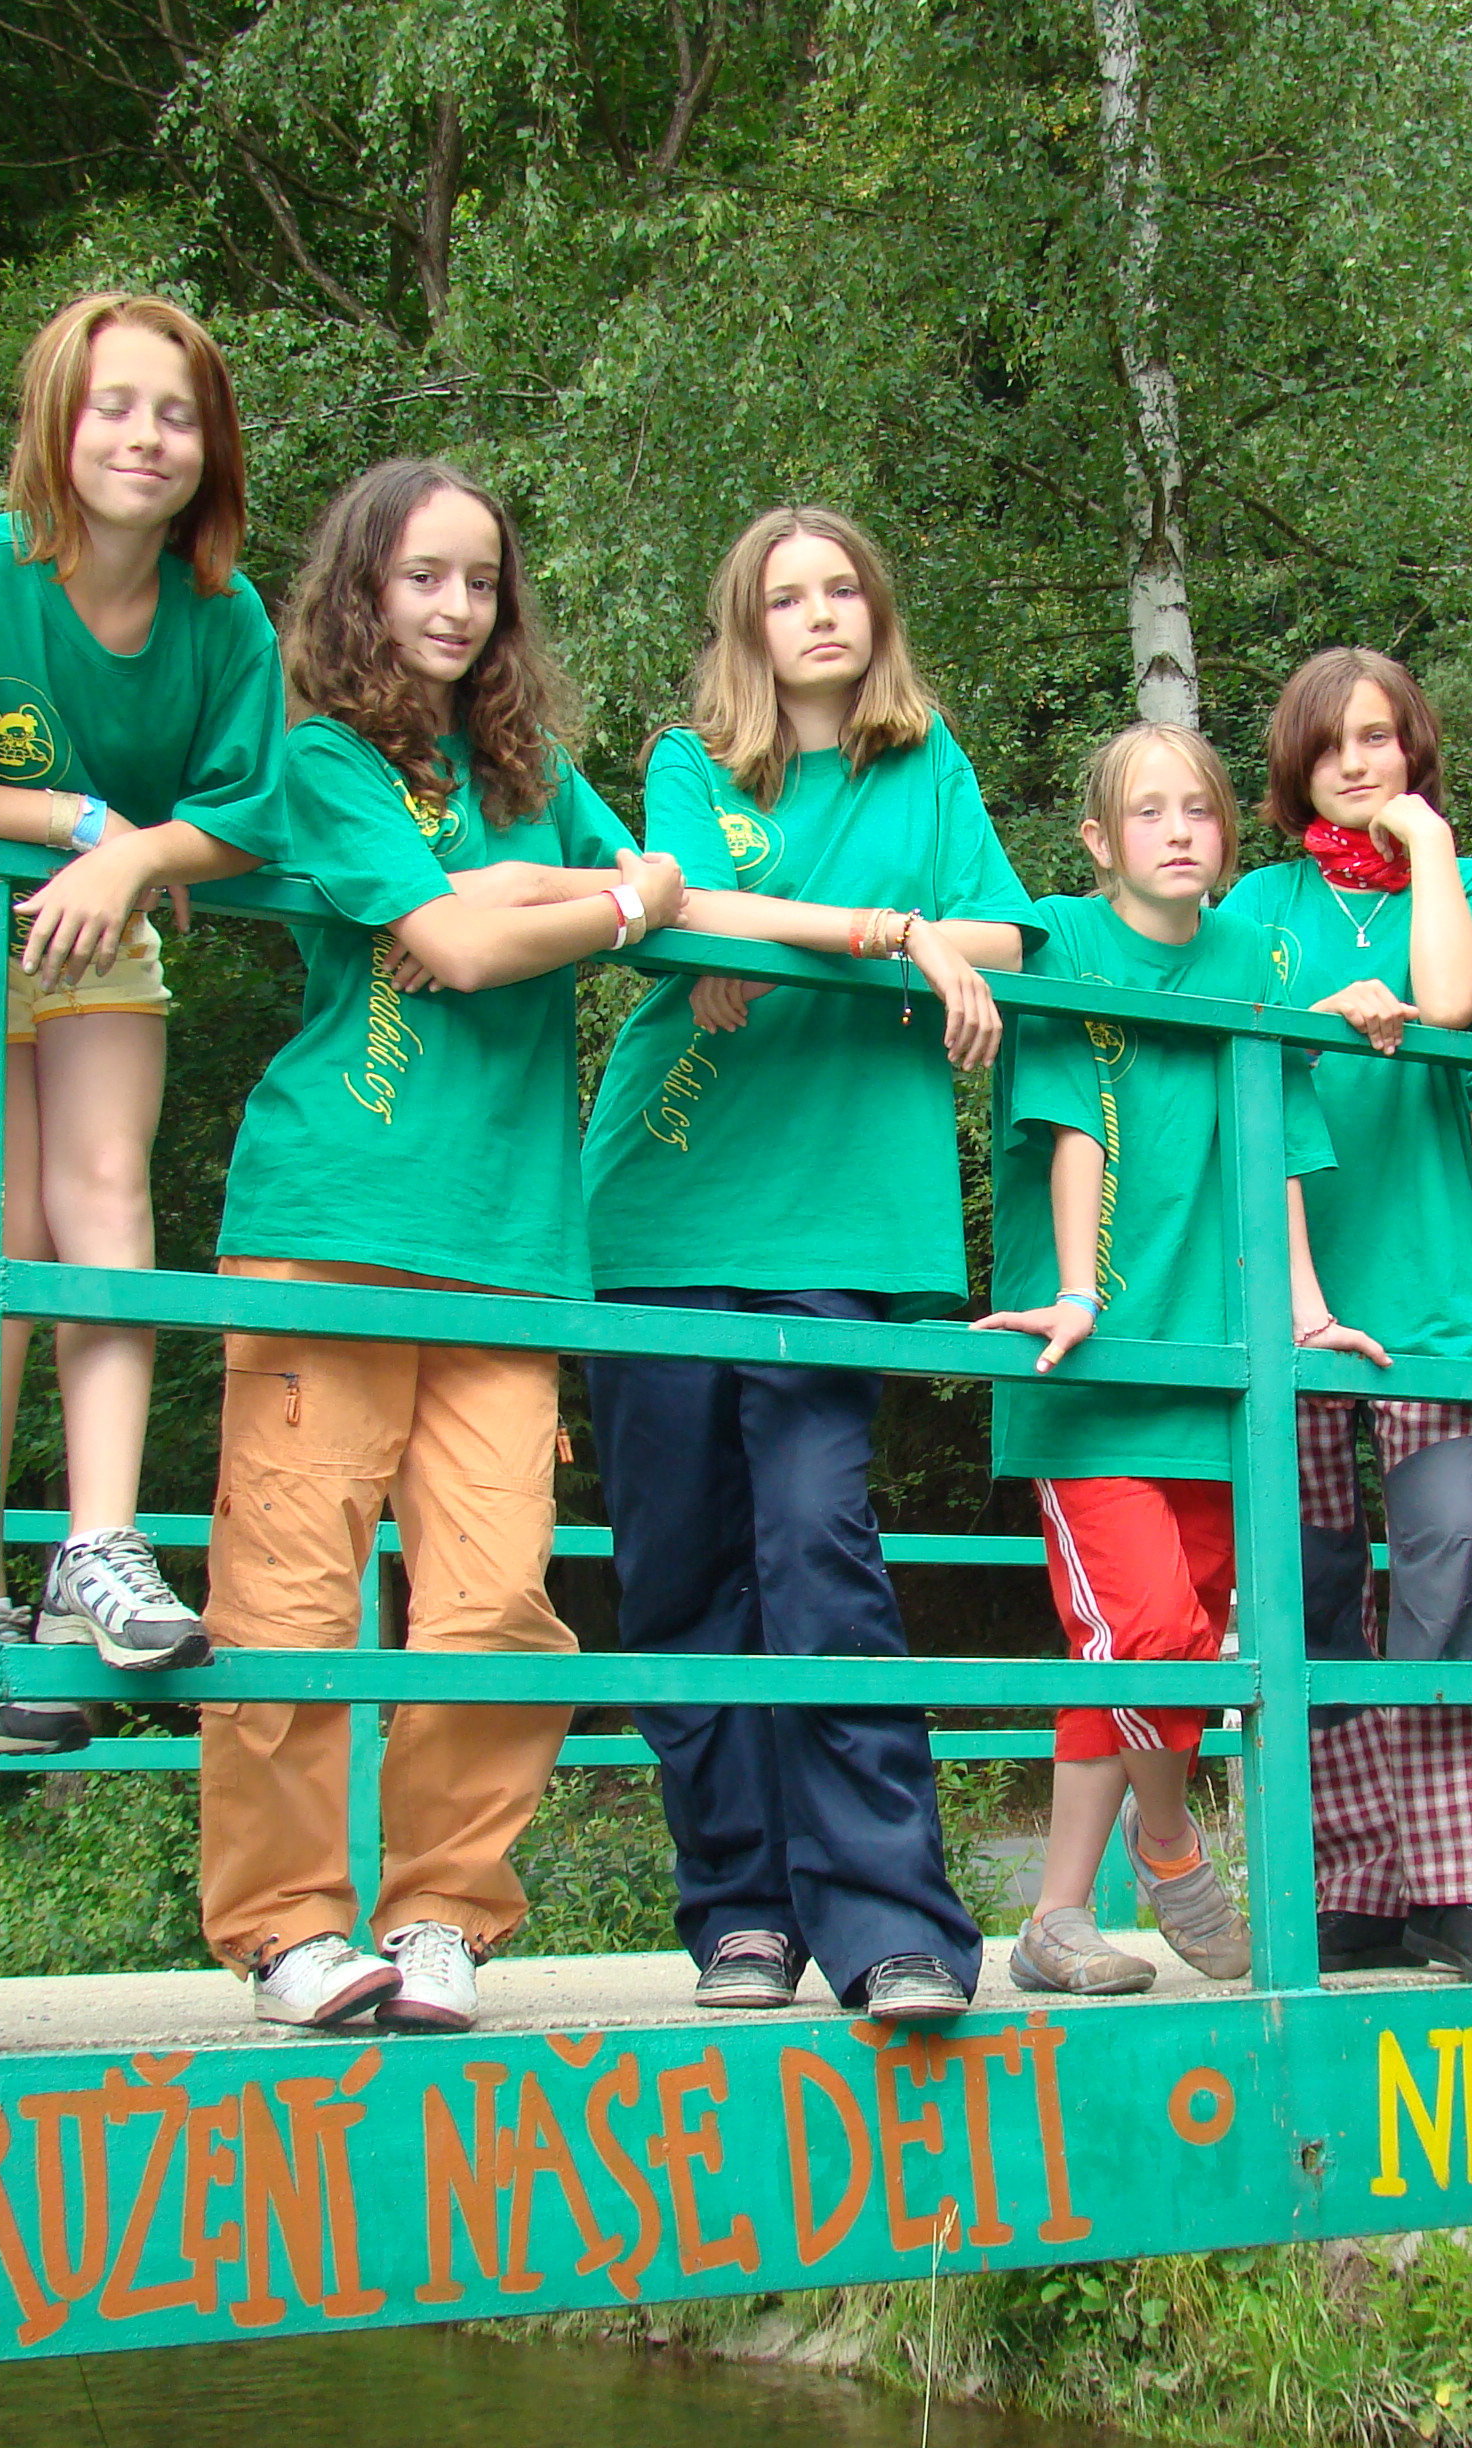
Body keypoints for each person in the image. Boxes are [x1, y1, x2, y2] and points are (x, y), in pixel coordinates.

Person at [196, 460, 682, 2032]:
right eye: (424, 577)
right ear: (361, 587)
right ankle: (285, 1930)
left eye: (482, 580)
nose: (458, 608)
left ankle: (439, 1916)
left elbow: (662, 881)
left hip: (508, 1245)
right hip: (330, 1221)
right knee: (291, 1591)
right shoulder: (324, 753)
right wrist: (597, 906)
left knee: (495, 1598)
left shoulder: (532, 768)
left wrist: (582, 887)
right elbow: (460, 948)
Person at [578, 506, 1037, 2025]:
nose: (822, 613)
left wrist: (813, 943)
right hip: (667, 1198)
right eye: (787, 596)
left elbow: (1008, 939)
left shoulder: (928, 762)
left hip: (840, 1218)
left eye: (844, 588)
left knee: (817, 1547)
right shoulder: (692, 761)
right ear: (747, 626)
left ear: (877, 612)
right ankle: (740, 1916)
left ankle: (894, 1927)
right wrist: (891, 934)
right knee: (680, 1572)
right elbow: (681, 902)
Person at [0, 293, 286, 1746]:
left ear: (210, 446)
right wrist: (82, 820)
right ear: (58, 419)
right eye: (114, 405)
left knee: (105, 1202)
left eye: (176, 414)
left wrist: (139, 858)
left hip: (99, 928)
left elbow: (251, 808)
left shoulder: (223, 614)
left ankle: (95, 1552)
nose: (144, 438)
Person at [974, 721, 1385, 1994]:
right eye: (1147, 812)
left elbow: (1281, 1139)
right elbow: (1072, 1124)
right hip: (1094, 1366)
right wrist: (1077, 1292)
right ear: (1099, 840)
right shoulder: (1066, 936)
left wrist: (1305, 1310)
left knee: (1167, 1645)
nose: (1177, 831)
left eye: (1199, 809)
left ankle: (1056, 1920)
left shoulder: (1253, 956)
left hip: (1222, 1370)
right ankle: (1169, 1848)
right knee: (1146, 1627)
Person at [1219, 648, 1472, 1990]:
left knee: (1449, 1570)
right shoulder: (1258, 901)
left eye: (1381, 739)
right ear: (1295, 765)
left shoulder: (1468, 889)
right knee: (1309, 1593)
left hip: (1427, 1299)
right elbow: (1227, 1046)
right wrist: (1317, 1010)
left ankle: (1459, 1888)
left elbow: (1457, 1002)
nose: (1357, 764)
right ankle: (1354, 1888)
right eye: (1332, 744)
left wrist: (1429, 848)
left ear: (1415, 751)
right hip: (1288, 1304)